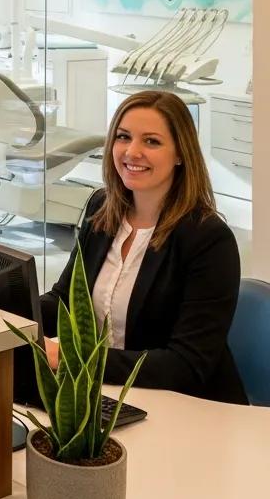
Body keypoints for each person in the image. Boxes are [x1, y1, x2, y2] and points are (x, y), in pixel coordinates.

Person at [39, 89, 248, 404]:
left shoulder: (208, 240)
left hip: (190, 408)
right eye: (123, 137)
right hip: (110, 394)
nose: (131, 152)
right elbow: (64, 303)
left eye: (151, 141)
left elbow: (186, 365)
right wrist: (4, 316)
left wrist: (72, 359)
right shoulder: (102, 210)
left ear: (180, 153)